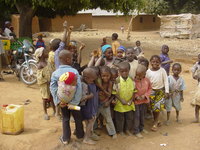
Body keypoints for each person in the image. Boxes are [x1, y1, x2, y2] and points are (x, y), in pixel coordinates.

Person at [50, 50, 84, 145]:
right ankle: (80, 135)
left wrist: (58, 101)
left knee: (65, 118)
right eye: (72, 58)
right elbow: (79, 88)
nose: (73, 59)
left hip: (63, 103)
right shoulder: (74, 72)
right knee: (78, 117)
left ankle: (65, 138)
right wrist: (75, 102)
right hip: (74, 103)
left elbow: (53, 88)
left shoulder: (55, 73)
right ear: (68, 59)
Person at [146, 55, 169, 132]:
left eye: (157, 62)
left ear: (160, 62)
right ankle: (156, 120)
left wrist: (167, 91)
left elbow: (166, 81)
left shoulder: (162, 70)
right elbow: (147, 83)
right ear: (150, 62)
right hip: (151, 91)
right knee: (152, 108)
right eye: (153, 61)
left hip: (160, 91)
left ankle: (155, 123)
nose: (155, 63)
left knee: (157, 108)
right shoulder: (148, 72)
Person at [113, 62, 135, 136]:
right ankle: (121, 130)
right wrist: (121, 100)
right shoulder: (117, 80)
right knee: (120, 118)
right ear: (119, 72)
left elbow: (134, 91)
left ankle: (127, 130)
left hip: (129, 103)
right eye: (122, 71)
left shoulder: (132, 79)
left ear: (129, 70)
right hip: (120, 104)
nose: (124, 73)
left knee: (129, 118)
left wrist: (131, 100)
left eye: (126, 71)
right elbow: (114, 92)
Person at [35, 47, 56, 120]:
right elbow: (39, 77)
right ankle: (45, 113)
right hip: (44, 85)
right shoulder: (40, 64)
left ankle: (55, 111)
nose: (46, 53)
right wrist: (46, 81)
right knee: (45, 98)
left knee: (52, 97)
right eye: (44, 52)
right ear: (41, 55)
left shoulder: (47, 62)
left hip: (50, 83)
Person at [97, 66, 117, 139]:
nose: (105, 77)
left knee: (108, 119)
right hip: (97, 104)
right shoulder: (98, 82)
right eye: (103, 76)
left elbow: (109, 94)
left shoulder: (110, 83)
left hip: (105, 103)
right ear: (100, 75)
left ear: (110, 75)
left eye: (107, 76)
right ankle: (93, 131)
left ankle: (113, 132)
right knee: (93, 118)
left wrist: (101, 89)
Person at [81, 68, 99, 145]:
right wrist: (89, 96)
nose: (93, 80)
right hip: (87, 108)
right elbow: (81, 98)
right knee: (90, 122)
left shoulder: (91, 83)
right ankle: (86, 138)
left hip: (91, 107)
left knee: (89, 122)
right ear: (86, 78)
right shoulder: (84, 86)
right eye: (92, 79)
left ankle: (89, 134)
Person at [134, 64, 152, 138]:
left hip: (144, 101)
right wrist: (136, 96)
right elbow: (132, 91)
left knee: (142, 116)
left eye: (140, 75)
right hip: (136, 103)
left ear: (144, 74)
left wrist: (145, 96)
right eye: (137, 75)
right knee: (137, 117)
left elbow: (150, 88)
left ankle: (141, 128)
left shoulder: (147, 80)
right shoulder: (133, 81)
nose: (138, 77)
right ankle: (136, 131)